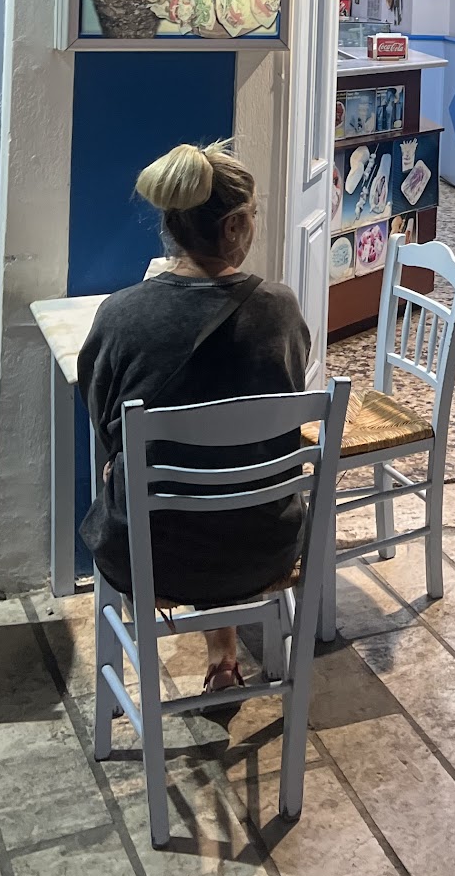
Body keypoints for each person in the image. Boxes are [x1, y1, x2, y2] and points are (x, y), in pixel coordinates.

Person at [78, 141, 310, 693]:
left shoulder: (122, 315)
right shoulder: (280, 309)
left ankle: (190, 647)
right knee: (223, 481)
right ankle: (223, 651)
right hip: (262, 543)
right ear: (233, 226)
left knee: (134, 480)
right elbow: (288, 401)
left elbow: (103, 419)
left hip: (156, 553)